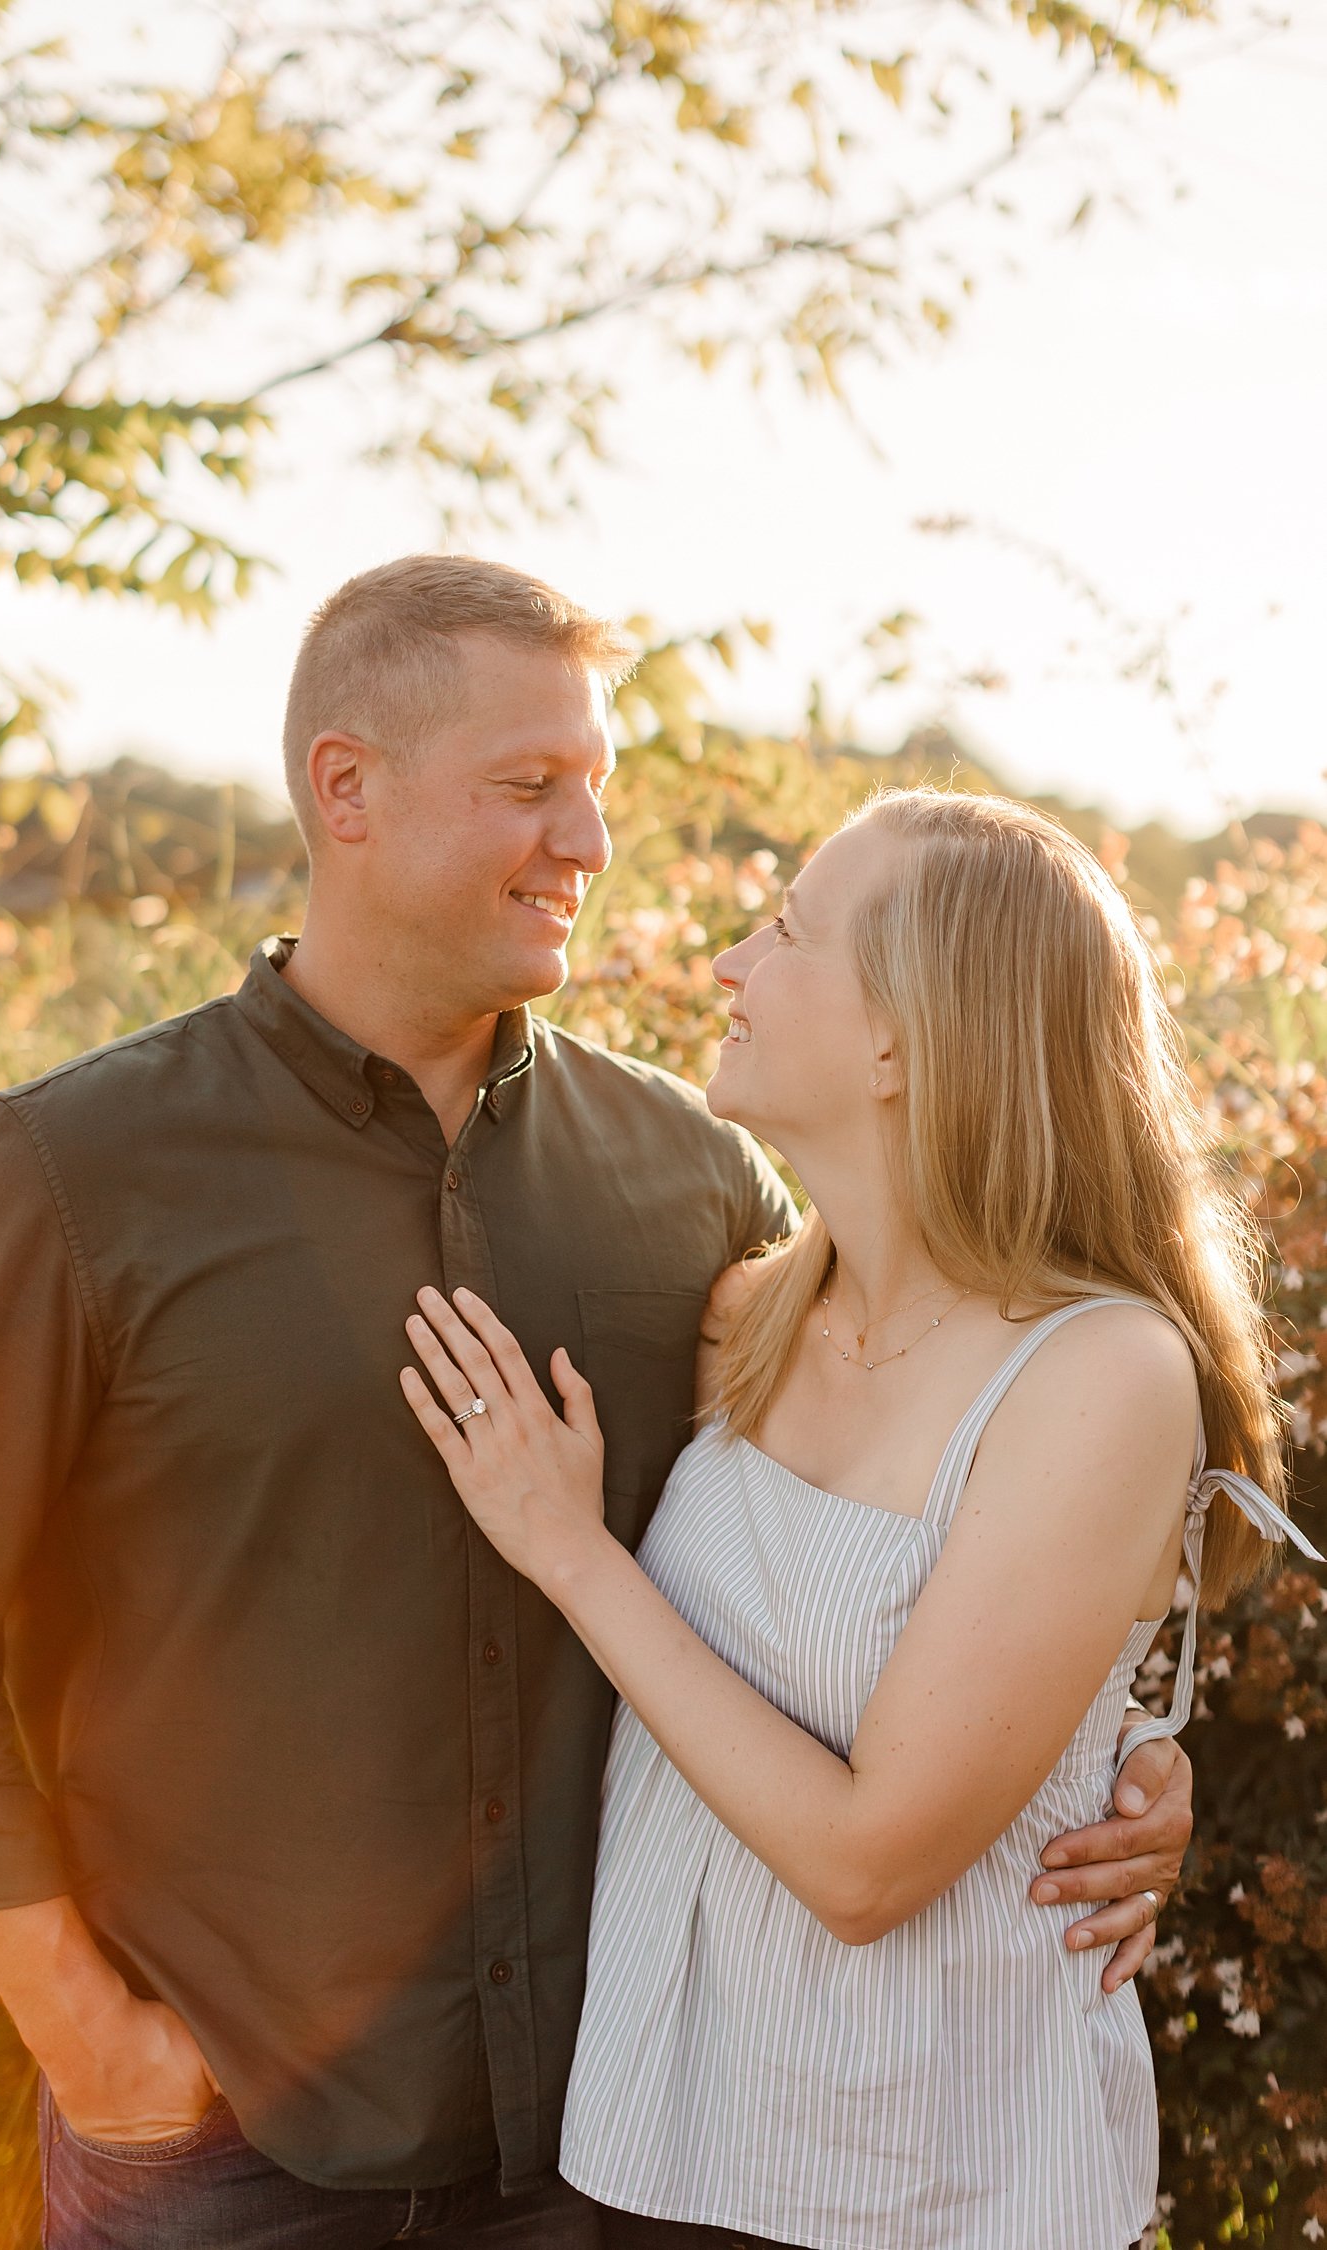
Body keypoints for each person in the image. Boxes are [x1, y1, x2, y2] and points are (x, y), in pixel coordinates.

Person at [0, 567, 1189, 2250]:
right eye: (530, 787)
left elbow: (918, 1478)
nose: (592, 841)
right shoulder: (67, 1174)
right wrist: (91, 2038)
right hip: (223, 2159)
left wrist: (1107, 1759)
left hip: (612, 2156)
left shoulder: (692, 1178)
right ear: (348, 790)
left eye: (597, 784)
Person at [399, 786, 1321, 2250]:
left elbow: (867, 1863)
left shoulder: (1097, 1374)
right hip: (661, 2149)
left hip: (922, 2187)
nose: (728, 966)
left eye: (785, 930)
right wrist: (1122, 1743)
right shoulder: (757, 1314)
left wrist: (572, 1551)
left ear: (904, 1036)